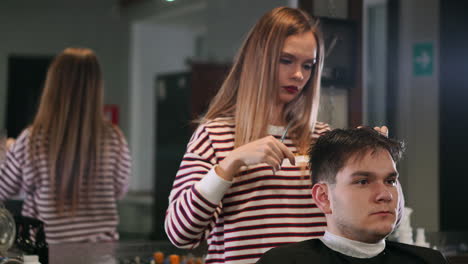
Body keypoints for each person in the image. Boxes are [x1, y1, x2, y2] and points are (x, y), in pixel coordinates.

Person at [165, 6, 332, 264]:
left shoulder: (322, 139)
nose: (298, 75)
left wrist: (372, 166)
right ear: (258, 59)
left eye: (308, 65)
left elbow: (363, 223)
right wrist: (230, 164)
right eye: (286, 60)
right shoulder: (214, 135)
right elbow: (180, 234)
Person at [256, 128, 448, 264]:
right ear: (324, 197)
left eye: (390, 181)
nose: (385, 195)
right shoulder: (283, 262)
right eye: (363, 181)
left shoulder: (428, 260)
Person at [0, 47, 132, 244]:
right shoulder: (114, 138)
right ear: (96, 88)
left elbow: (3, 188)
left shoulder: (32, 139)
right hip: (100, 255)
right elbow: (120, 190)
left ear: (53, 86)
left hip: (48, 253)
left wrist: (7, 153)